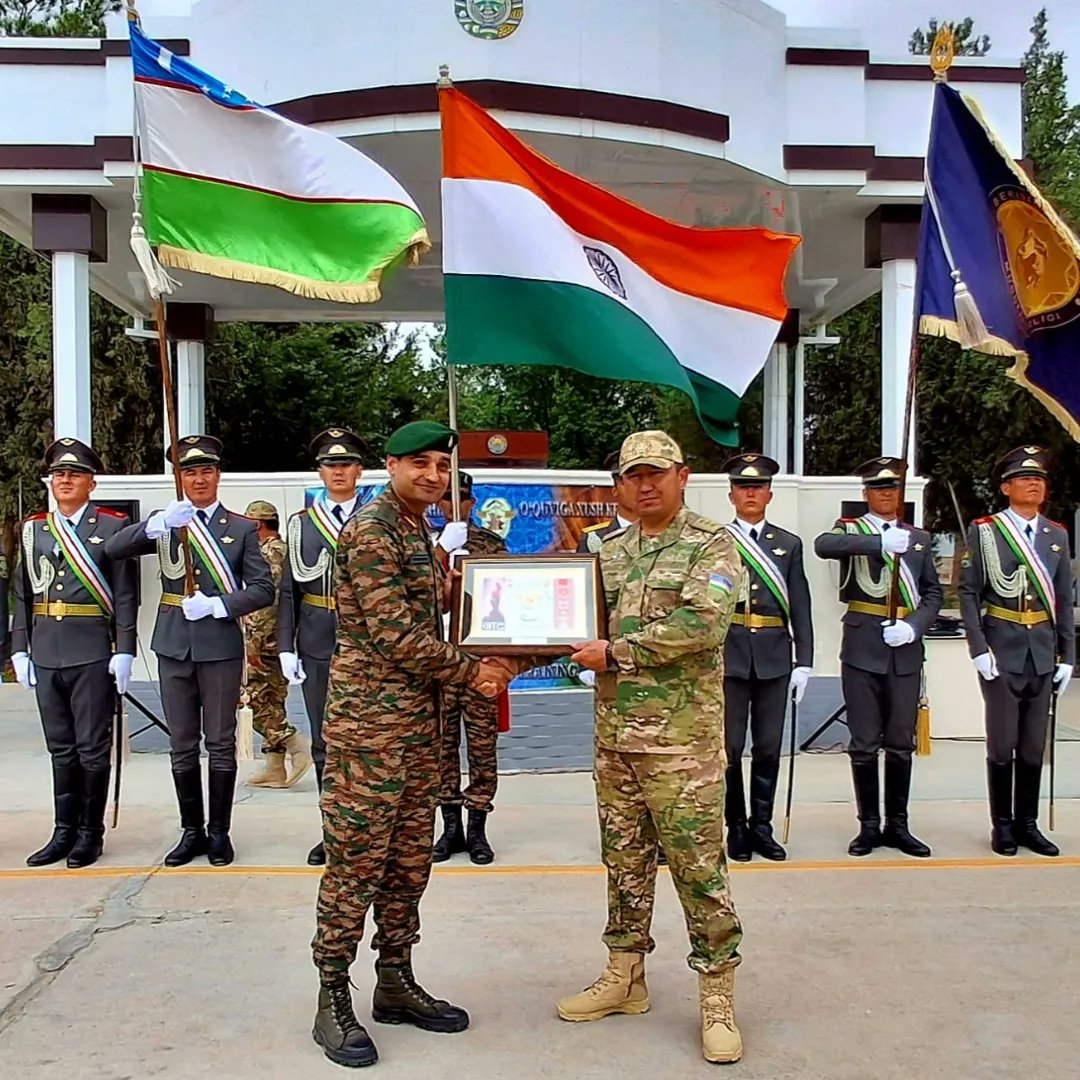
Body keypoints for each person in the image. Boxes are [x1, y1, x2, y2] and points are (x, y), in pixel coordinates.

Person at [310, 420, 514, 1070]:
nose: (433, 476)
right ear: (392, 465)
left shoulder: (418, 529)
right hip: (370, 734)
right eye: (420, 463)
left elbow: (423, 613)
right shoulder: (373, 528)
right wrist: (471, 670)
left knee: (407, 864)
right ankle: (332, 997)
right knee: (355, 868)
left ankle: (394, 980)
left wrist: (462, 594)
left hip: (417, 731)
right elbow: (396, 638)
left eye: (442, 467)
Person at [558, 430, 746, 1066]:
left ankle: (717, 993)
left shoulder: (712, 543)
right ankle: (625, 975)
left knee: (699, 871)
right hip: (616, 742)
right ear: (620, 484)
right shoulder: (606, 550)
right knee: (624, 864)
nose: (644, 485)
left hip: (682, 747)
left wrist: (616, 652)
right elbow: (573, 618)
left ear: (682, 475)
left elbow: (702, 623)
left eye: (656, 473)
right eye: (632, 475)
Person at [104, 435, 274, 868]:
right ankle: (190, 830)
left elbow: (262, 589)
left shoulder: (240, 529)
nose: (199, 479)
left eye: (206, 471)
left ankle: (219, 833)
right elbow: (112, 549)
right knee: (181, 744)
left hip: (218, 645)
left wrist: (219, 604)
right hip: (173, 644)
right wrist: (156, 523)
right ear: (180, 478)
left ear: (218, 476)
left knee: (219, 742)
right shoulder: (170, 522)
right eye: (189, 472)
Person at [9, 438, 138, 868]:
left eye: (74, 475)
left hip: (90, 650)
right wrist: (20, 647)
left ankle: (90, 833)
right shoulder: (34, 530)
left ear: (91, 484)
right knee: (60, 747)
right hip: (46, 649)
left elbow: (124, 593)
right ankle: (62, 831)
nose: (64, 481)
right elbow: (22, 593)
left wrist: (124, 649)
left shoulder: (111, 527)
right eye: (58, 475)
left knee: (91, 748)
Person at [814, 457, 942, 859]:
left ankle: (898, 825)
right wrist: (878, 543)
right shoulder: (852, 531)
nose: (886, 494)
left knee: (900, 743)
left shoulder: (918, 538)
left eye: (893, 488)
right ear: (866, 494)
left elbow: (934, 594)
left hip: (904, 647)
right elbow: (823, 546)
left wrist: (915, 626)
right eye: (878, 488)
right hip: (862, 648)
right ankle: (868, 826)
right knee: (865, 742)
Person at [957, 445, 1075, 857]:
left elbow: (1062, 598)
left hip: (1041, 652)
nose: (1034, 484)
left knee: (1032, 745)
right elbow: (969, 592)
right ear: (1006, 487)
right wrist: (978, 647)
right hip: (1002, 648)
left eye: (1040, 479)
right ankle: (1002, 825)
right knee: (1002, 741)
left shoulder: (1056, 534)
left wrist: (1068, 656)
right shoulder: (986, 530)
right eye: (1026, 478)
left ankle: (1028, 823)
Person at [278, 428, 366, 866]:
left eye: (346, 464)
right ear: (320, 472)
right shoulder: (301, 524)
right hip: (316, 641)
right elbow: (290, 591)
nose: (338, 472)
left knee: (370, 741)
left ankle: (369, 830)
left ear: (359, 471)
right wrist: (285, 646)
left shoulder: (377, 516)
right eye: (330, 465)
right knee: (324, 741)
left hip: (370, 644)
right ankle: (333, 830)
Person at [721, 453, 813, 862]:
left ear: (769, 495)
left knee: (769, 746)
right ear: (732, 495)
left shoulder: (788, 544)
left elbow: (800, 604)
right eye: (743, 487)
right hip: (730, 655)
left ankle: (763, 825)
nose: (751, 493)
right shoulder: (718, 541)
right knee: (730, 746)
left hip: (776, 655)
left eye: (757, 487)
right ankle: (735, 826)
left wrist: (805, 660)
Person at [432, 470, 508, 865]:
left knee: (482, 748)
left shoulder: (491, 546)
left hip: (479, 663)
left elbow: (508, 597)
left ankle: (477, 827)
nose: (452, 505)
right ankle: (450, 828)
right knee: (442, 748)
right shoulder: (424, 546)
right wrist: (441, 554)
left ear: (471, 503)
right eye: (445, 499)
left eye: (459, 498)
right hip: (437, 664)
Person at [244, 500, 312, 788]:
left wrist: (252, 642)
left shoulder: (272, 551)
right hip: (270, 639)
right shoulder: (274, 549)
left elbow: (268, 598)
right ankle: (274, 766)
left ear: (257, 524)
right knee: (271, 699)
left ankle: (296, 744)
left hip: (264, 640)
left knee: (254, 699)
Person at [577, 450, 637, 553]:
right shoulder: (594, 540)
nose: (635, 488)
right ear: (614, 490)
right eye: (627, 480)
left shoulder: (667, 534)